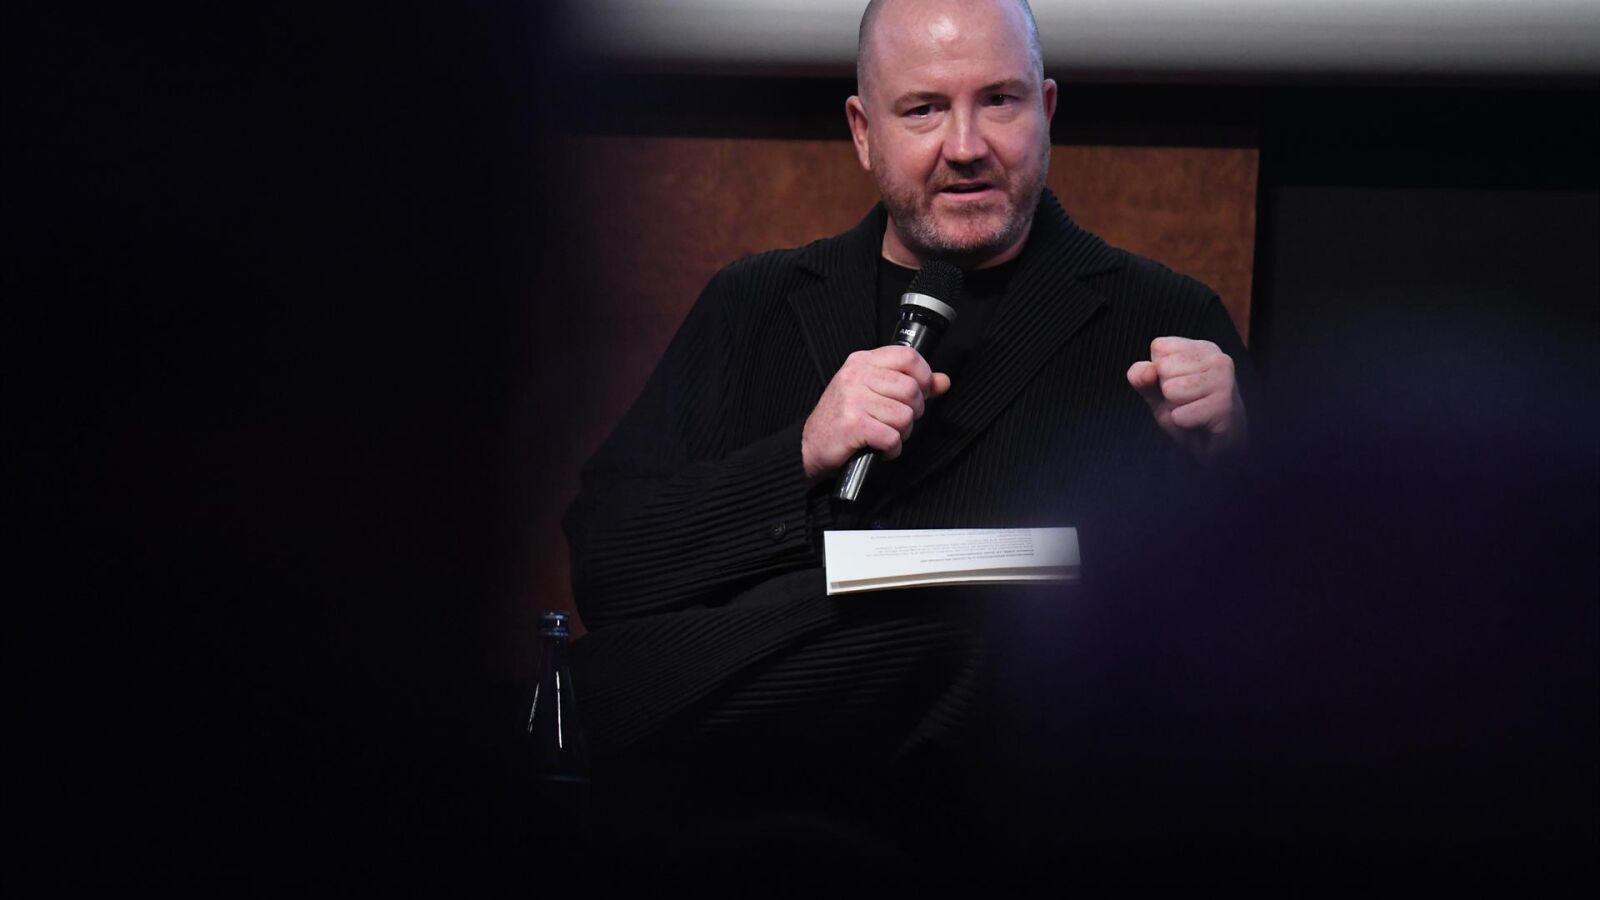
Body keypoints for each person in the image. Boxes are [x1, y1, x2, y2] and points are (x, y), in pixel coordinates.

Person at [562, 0, 1256, 866]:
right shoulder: (755, 305)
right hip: (746, 840)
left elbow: (1266, 654)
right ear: (863, 131)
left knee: (1010, 641)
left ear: (1045, 110)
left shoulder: (1162, 322)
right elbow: (609, 572)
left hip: (1022, 844)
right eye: (923, 109)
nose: (965, 146)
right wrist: (800, 454)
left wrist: (1239, 463)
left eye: (998, 101)